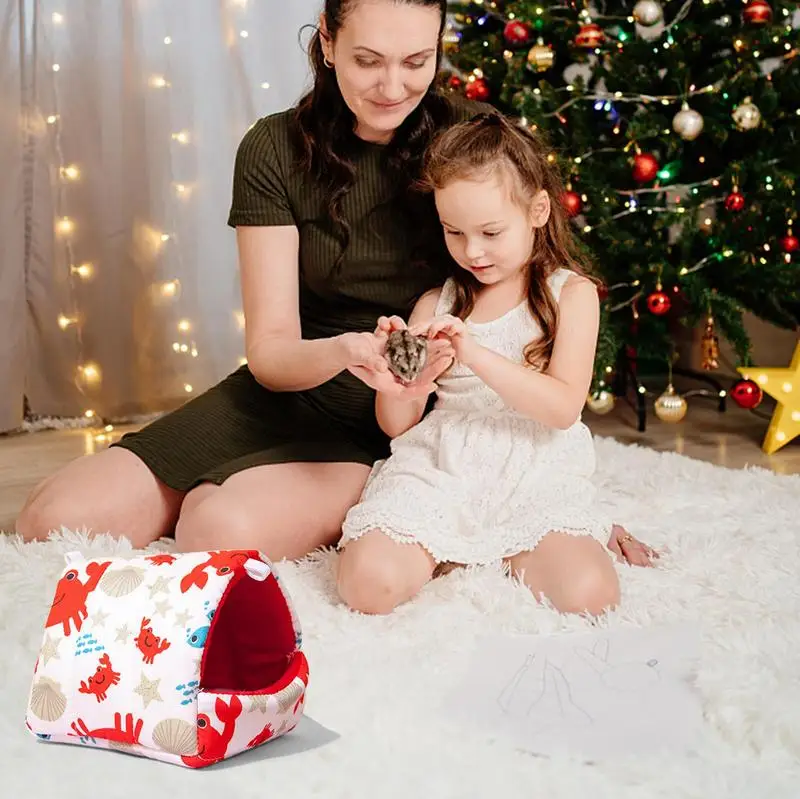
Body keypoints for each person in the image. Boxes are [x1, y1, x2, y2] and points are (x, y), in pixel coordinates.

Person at [14, 0, 655, 570]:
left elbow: (531, 282)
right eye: (369, 60)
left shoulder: (465, 137)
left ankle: (299, 496)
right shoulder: (274, 148)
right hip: (297, 379)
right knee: (47, 522)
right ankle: (233, 478)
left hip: (399, 417)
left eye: (416, 60)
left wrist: (563, 512)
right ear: (326, 41)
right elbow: (270, 353)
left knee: (212, 528)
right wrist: (347, 351)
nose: (393, 85)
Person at [336, 112, 636, 617]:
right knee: (367, 586)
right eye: (454, 232)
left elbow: (562, 409)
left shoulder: (573, 294)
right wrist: (403, 380)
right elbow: (396, 426)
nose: (471, 251)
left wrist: (474, 352)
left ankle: (513, 547)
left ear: (538, 211)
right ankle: (443, 544)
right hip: (444, 466)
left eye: (491, 232)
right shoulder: (438, 301)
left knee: (590, 596)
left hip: (534, 465)